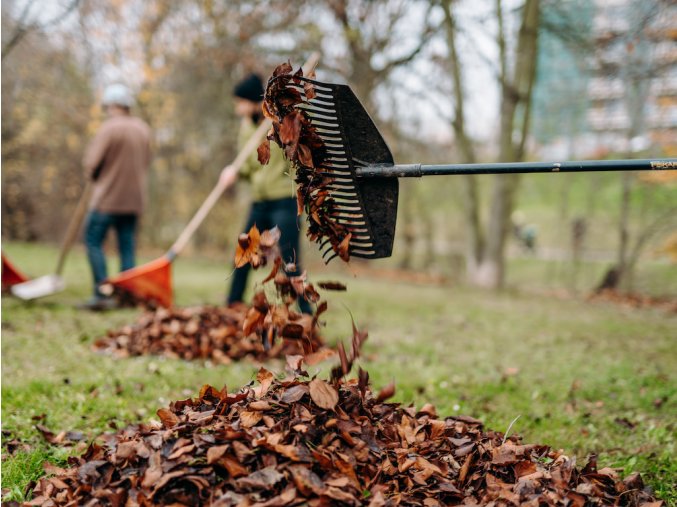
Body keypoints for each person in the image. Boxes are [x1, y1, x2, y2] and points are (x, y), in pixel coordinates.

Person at [220, 73, 312, 314]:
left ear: (251, 101)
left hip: (285, 200)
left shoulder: (279, 120)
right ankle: (232, 305)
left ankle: (306, 314)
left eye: (239, 101)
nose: (237, 107)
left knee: (289, 260)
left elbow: (295, 158)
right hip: (260, 202)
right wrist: (234, 173)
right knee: (244, 253)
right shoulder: (246, 127)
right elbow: (249, 166)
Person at [80, 84, 152, 310]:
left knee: (92, 239)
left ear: (112, 105)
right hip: (133, 201)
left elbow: (91, 164)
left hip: (107, 199)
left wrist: (92, 173)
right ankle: (126, 295)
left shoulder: (109, 128)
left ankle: (103, 292)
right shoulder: (143, 129)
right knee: (127, 247)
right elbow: (147, 162)